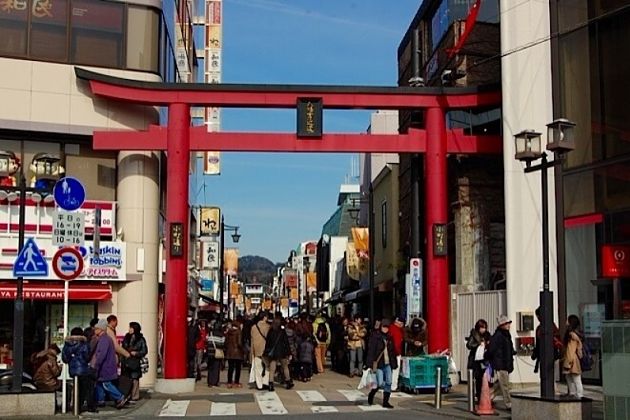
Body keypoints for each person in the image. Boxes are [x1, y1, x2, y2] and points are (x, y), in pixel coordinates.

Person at [92, 319, 129, 409]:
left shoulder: (104, 339)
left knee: (106, 383)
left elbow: (101, 354)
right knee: (100, 383)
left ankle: (120, 397)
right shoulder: (105, 339)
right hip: (106, 366)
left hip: (105, 366)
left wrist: (96, 365)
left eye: (96, 328)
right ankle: (100, 400)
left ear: (100, 329)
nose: (94, 330)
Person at [63, 327, 96, 413]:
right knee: (88, 388)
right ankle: (89, 406)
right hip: (83, 370)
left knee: (78, 388)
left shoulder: (67, 344)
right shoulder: (84, 344)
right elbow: (87, 357)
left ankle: (76, 406)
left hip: (72, 370)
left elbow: (65, 359)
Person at [486, 315, 516, 410]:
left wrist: (513, 352)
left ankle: (487, 398)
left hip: (505, 363)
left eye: (508, 323)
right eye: (507, 324)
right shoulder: (498, 336)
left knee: (500, 384)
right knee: (505, 385)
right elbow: (492, 350)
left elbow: (508, 348)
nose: (508, 325)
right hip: (501, 364)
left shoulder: (506, 335)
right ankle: (508, 404)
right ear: (502, 325)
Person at [365, 318, 397, 409]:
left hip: (388, 363)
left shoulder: (390, 337)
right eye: (384, 327)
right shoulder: (375, 337)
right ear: (381, 326)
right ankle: (371, 394)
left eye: (387, 327)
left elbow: (392, 352)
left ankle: (386, 402)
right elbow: (371, 351)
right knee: (378, 383)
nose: (385, 329)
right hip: (378, 363)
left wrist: (394, 364)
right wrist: (369, 364)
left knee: (389, 382)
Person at [263, 317, 294, 391]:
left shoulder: (270, 331)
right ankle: (288, 381)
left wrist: (266, 351)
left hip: (273, 352)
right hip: (282, 351)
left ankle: (270, 383)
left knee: (272, 368)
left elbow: (267, 342)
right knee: (285, 367)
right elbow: (286, 343)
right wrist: (289, 352)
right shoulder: (282, 331)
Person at [465, 319, 491, 405]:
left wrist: (487, 344)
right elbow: (469, 345)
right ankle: (478, 396)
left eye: (484, 327)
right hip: (475, 360)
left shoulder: (487, 335)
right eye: (482, 328)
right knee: (477, 378)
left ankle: (483, 396)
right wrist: (478, 344)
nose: (483, 329)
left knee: (484, 378)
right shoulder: (474, 335)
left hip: (484, 359)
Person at [121, 322, 148, 402]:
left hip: (135, 361)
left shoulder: (141, 339)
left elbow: (144, 351)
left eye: (131, 328)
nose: (129, 329)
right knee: (126, 378)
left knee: (135, 378)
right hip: (126, 360)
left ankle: (135, 396)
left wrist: (136, 353)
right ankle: (126, 395)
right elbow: (123, 347)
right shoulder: (126, 337)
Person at [562, 314, 584, 399]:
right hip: (573, 359)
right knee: (573, 377)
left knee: (574, 378)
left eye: (568, 320)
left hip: (571, 359)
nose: (566, 322)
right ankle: (575, 394)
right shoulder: (576, 334)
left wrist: (568, 362)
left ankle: (577, 394)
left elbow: (570, 350)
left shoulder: (571, 335)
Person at [250, 312, 271, 390]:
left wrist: (252, 352)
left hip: (256, 349)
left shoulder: (253, 327)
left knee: (258, 367)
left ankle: (259, 385)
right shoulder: (268, 327)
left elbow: (252, 340)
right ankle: (265, 381)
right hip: (266, 349)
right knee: (268, 366)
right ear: (265, 317)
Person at [224, 320, 244, 388]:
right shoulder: (239, 332)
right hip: (237, 352)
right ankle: (236, 382)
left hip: (230, 352)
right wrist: (242, 349)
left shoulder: (228, 332)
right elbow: (239, 343)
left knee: (230, 368)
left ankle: (229, 382)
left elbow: (226, 342)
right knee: (238, 368)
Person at [206, 320, 225, 387]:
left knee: (210, 367)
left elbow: (207, 341)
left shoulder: (210, 333)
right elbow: (222, 344)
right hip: (217, 353)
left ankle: (210, 382)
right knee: (216, 368)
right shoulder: (221, 335)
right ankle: (215, 381)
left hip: (210, 353)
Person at [388, 317, 405, 391]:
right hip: (395, 353)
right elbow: (397, 344)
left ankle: (388, 384)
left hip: (389, 352)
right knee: (395, 370)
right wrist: (398, 353)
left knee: (389, 369)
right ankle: (393, 386)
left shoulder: (390, 328)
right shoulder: (397, 331)